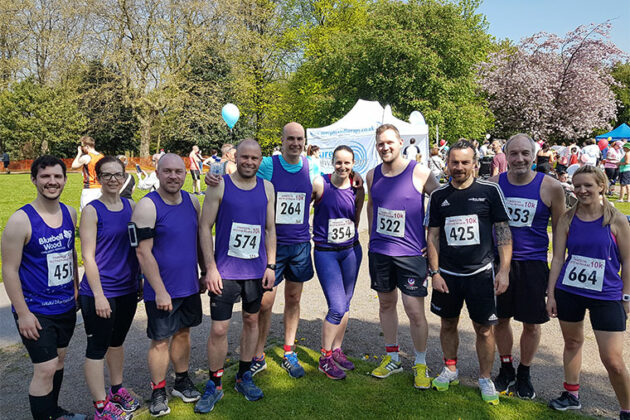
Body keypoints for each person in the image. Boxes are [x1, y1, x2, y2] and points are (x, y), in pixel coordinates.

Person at [206, 123, 320, 378]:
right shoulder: (269, 164)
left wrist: (351, 180)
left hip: (300, 243)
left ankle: (288, 350)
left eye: (299, 139)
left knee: (293, 299)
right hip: (271, 247)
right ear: (282, 140)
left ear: (305, 141)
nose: (295, 143)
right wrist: (213, 178)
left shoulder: (311, 165)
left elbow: (322, 185)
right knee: (265, 304)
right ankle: (257, 354)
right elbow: (245, 176)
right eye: (290, 138)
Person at [427, 139, 512, 405]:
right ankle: (450, 368)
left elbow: (503, 231)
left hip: (481, 273)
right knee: (447, 323)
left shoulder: (489, 191)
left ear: (475, 164)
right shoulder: (439, 196)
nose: (459, 167)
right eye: (455, 162)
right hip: (448, 275)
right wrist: (435, 272)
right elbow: (433, 236)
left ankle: (485, 378)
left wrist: (504, 271)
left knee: (484, 329)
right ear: (447, 164)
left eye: (465, 162)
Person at [1, 155, 86, 420]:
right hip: (35, 310)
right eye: (45, 177)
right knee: (46, 367)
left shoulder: (70, 213)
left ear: (64, 179)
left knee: (58, 362)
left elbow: (70, 253)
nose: (52, 182)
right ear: (34, 179)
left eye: (57, 176)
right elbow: (9, 271)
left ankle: (54, 412)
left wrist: (75, 288)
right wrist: (23, 313)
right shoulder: (20, 221)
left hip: (65, 305)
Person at [194, 139, 276, 412]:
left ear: (260, 159)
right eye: (244, 157)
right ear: (235, 157)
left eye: (254, 158)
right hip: (225, 271)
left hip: (255, 271)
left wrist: (271, 265)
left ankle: (244, 375)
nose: (249, 162)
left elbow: (269, 229)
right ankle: (215, 383)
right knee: (219, 328)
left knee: (252, 321)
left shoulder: (267, 187)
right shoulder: (219, 185)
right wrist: (210, 268)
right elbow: (205, 227)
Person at [546, 165, 630, 419]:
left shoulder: (616, 220)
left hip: (606, 295)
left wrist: (626, 296)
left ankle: (627, 409)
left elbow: (628, 261)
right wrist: (551, 293)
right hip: (570, 291)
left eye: (588, 186)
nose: (582, 190)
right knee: (572, 343)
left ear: (601, 186)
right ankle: (571, 395)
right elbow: (558, 258)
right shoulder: (567, 219)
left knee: (613, 360)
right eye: (577, 185)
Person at [489, 134, 566, 399]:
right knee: (500, 319)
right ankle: (506, 367)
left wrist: (556, 276)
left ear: (534, 156)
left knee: (532, 324)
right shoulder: (494, 184)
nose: (519, 159)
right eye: (514, 153)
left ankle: (525, 372)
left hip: (533, 265)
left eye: (525, 153)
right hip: (500, 263)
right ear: (505, 156)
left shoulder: (552, 187)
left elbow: (560, 235)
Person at [366, 124, 440, 389]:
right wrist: (373, 238)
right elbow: (372, 206)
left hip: (411, 253)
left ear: (400, 143)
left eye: (389, 142)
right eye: (380, 144)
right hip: (381, 253)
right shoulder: (372, 175)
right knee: (386, 305)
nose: (385, 147)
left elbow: (442, 201)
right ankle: (392, 357)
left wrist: (433, 238)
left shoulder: (419, 172)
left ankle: (420, 363)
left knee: (414, 311)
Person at [131, 153, 203, 416]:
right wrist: (160, 290)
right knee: (160, 340)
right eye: (167, 172)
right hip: (161, 290)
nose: (174, 176)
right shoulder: (148, 206)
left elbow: (198, 240)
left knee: (184, 333)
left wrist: (205, 271)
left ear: (186, 174)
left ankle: (181, 381)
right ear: (157, 174)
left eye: (178, 172)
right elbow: (142, 252)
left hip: (188, 285)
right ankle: (158, 390)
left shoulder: (192, 201)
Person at [78, 156, 141, 419]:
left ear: (124, 176)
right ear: (99, 178)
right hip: (99, 293)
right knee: (97, 348)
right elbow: (88, 257)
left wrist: (139, 280)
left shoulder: (132, 206)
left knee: (117, 342)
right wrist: (100, 295)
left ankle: (116, 390)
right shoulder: (92, 210)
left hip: (127, 289)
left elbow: (137, 248)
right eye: (107, 175)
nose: (113, 179)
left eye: (118, 174)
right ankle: (101, 407)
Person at [312, 146, 364, 380]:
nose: (343, 167)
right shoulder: (320, 184)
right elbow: (303, 208)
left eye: (347, 163)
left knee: (346, 304)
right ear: (331, 162)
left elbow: (357, 215)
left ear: (353, 164)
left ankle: (336, 350)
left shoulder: (357, 187)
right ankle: (324, 358)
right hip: (326, 253)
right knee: (336, 306)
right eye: (338, 162)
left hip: (351, 250)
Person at [72, 136, 104, 210]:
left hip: (90, 189)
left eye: (82, 146)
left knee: (86, 213)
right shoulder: (102, 157)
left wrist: (79, 153)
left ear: (86, 146)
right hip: (101, 188)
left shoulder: (87, 157)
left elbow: (74, 166)